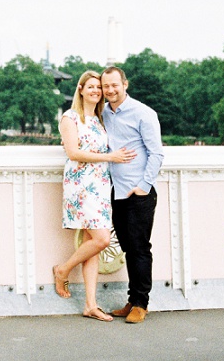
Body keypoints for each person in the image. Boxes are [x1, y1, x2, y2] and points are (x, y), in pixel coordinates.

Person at [52, 70, 135, 321]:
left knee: (94, 245)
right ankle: (63, 270)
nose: (96, 91)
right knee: (101, 239)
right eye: (91, 87)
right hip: (81, 185)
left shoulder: (100, 118)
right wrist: (110, 157)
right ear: (80, 89)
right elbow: (74, 153)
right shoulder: (70, 118)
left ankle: (90, 304)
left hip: (99, 186)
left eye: (98, 88)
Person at [100, 65, 165, 324]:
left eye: (115, 85)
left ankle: (141, 303)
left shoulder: (143, 113)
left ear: (125, 84)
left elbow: (157, 153)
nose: (110, 90)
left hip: (139, 193)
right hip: (116, 191)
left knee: (139, 248)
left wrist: (144, 186)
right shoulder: (104, 112)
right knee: (128, 248)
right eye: (106, 86)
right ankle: (131, 299)